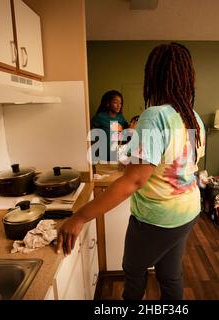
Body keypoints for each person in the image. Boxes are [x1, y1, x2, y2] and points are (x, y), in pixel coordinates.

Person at [57, 42, 206, 300]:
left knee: (134, 272)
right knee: (170, 276)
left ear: (153, 76)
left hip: (156, 217)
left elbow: (134, 181)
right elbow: (180, 165)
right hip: (188, 211)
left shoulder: (154, 115)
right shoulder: (193, 117)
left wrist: (79, 217)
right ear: (186, 76)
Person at [91, 90, 129, 161]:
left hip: (116, 156)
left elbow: (127, 134)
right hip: (101, 157)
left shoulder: (121, 118)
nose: (119, 105)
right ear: (107, 103)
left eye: (120, 103)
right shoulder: (99, 117)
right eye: (115, 102)